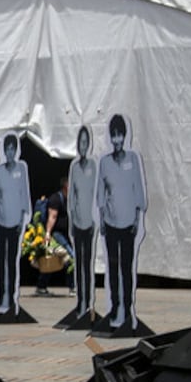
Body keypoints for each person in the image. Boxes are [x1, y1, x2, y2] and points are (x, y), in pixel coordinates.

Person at [96, 114, 148, 332]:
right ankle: (114, 307)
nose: (117, 139)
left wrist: (138, 219)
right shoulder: (105, 162)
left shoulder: (133, 159)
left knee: (127, 268)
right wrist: (102, 221)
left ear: (124, 136)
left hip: (128, 223)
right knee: (113, 267)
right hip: (111, 221)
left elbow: (138, 190)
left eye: (120, 135)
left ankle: (127, 309)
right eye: (114, 135)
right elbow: (101, 193)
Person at [0, 133, 30, 317]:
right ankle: (1, 294)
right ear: (4, 151)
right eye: (8, 149)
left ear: (16, 150)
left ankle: (11, 296)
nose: (10, 152)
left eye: (13, 148)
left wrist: (23, 220)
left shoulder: (21, 169)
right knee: (0, 261)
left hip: (15, 223)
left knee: (12, 262)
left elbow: (24, 195)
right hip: (1, 221)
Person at [68, 126, 98, 318]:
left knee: (87, 264)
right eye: (81, 142)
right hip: (78, 222)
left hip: (90, 222)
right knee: (78, 264)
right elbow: (72, 195)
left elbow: (96, 193)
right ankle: (80, 301)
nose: (83, 146)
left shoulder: (94, 166)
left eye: (86, 142)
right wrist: (71, 219)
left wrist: (96, 218)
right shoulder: (74, 167)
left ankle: (88, 302)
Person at [38, 175, 71, 296]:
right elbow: (52, 216)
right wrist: (47, 233)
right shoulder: (56, 199)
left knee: (54, 260)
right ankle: (73, 288)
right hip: (57, 234)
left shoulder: (71, 198)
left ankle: (41, 286)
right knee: (70, 257)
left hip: (68, 234)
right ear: (65, 186)